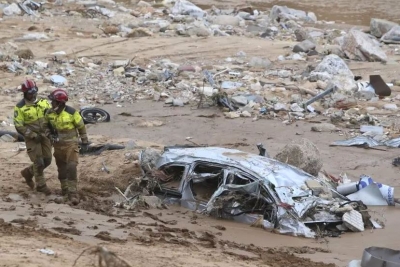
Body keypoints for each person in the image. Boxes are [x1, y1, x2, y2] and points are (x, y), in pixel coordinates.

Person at [45, 89, 89, 205]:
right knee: (61, 168)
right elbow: (46, 127)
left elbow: (81, 127)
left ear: (59, 103)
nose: (51, 103)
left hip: (71, 145)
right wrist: (49, 135)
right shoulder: (49, 113)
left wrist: (84, 141)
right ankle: (65, 191)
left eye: (53, 101)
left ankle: (73, 193)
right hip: (58, 146)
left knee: (72, 166)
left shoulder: (72, 113)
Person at [14, 79, 52, 195]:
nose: (33, 94)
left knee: (47, 160)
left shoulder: (43, 102)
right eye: (30, 92)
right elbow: (18, 125)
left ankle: (28, 172)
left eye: (34, 91)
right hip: (31, 137)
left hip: (45, 135)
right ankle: (41, 186)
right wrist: (32, 135)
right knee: (39, 162)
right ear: (25, 93)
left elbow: (51, 116)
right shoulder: (20, 107)